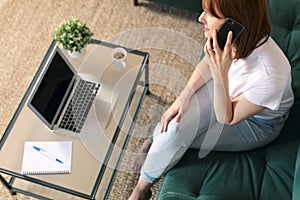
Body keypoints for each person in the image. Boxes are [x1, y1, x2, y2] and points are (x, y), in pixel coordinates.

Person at [129, 0, 294, 199]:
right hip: (227, 90)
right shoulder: (228, 37)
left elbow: (228, 117)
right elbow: (207, 63)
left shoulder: (270, 75)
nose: (201, 18)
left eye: (210, 14)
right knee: (174, 128)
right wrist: (182, 99)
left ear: (235, 23)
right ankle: (153, 139)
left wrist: (221, 74)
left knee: (176, 137)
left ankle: (140, 191)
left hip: (255, 124)